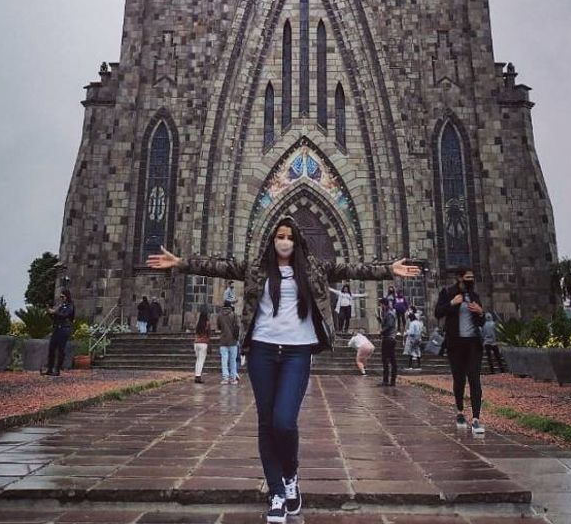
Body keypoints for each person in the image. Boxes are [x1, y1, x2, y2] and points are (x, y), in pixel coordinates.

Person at [148, 217, 420, 524]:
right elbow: (219, 266)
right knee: (266, 423)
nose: (285, 241)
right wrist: (181, 262)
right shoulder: (256, 268)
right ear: (272, 239)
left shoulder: (314, 268)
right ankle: (277, 493)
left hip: (297, 351)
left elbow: (352, 269)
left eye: (290, 236)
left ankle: (290, 475)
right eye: (280, 236)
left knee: (284, 421)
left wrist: (388, 269)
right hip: (262, 349)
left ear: (297, 241)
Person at [435, 267, 486, 434]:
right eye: (468, 277)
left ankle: (476, 419)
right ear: (459, 278)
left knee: (475, 380)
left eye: (472, 277)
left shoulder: (474, 296)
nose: (471, 279)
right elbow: (438, 312)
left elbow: (481, 322)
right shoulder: (448, 293)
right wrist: (452, 303)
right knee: (459, 380)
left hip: (473, 344)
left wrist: (481, 312)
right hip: (455, 344)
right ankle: (460, 412)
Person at [45, 287, 75, 376]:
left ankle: (57, 370)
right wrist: (50, 313)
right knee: (51, 348)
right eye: (61, 297)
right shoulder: (61, 306)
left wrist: (54, 312)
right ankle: (49, 369)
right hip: (57, 328)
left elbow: (65, 315)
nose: (62, 299)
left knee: (61, 349)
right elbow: (55, 318)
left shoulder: (70, 306)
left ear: (67, 296)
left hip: (64, 329)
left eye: (63, 297)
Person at [219, 301, 240, 383]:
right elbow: (238, 326)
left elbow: (219, 326)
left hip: (223, 340)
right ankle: (233, 378)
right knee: (233, 360)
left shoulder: (220, 315)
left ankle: (225, 378)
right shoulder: (234, 315)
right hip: (233, 341)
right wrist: (236, 336)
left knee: (224, 360)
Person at [379, 295, 398, 386]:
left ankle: (390, 380)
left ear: (384, 305)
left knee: (389, 359)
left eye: (381, 305)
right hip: (388, 338)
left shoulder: (390, 314)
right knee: (387, 359)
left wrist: (381, 332)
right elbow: (385, 324)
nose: (381, 307)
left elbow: (389, 325)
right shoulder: (387, 313)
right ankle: (387, 380)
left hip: (389, 339)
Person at [194, 309, 211, 382]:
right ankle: (198, 376)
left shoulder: (198, 323)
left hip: (196, 343)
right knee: (201, 360)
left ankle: (196, 375)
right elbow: (209, 334)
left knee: (197, 360)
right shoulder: (207, 324)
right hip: (203, 343)